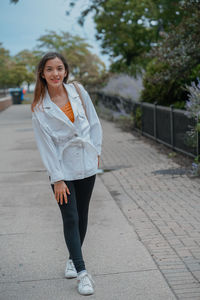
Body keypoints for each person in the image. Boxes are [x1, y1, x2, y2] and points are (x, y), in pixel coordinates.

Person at [31, 52, 103, 296]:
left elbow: (93, 122)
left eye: (59, 68)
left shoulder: (78, 91)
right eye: (49, 69)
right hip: (62, 169)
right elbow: (46, 147)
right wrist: (57, 178)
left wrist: (97, 151)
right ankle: (83, 273)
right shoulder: (40, 109)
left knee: (82, 216)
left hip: (86, 163)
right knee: (70, 217)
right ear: (42, 73)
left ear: (66, 71)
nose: (55, 74)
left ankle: (72, 258)